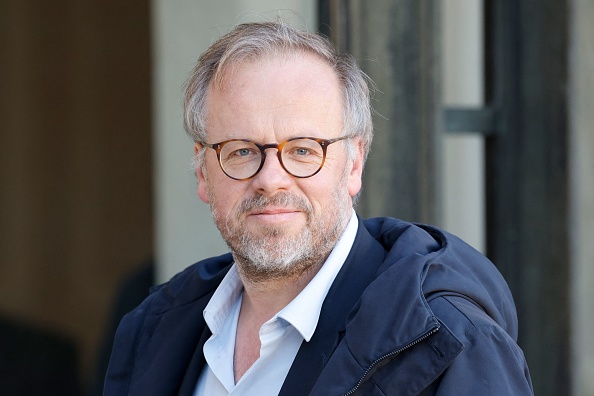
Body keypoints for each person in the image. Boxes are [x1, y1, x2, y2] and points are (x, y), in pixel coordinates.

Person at [105, 21, 533, 395]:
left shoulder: (450, 343)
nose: (271, 179)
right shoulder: (155, 331)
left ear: (354, 164)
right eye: (240, 152)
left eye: (304, 150)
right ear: (203, 171)